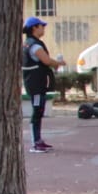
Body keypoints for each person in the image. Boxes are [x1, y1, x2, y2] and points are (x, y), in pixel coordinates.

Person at [21, 16, 65, 154]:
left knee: (39, 110)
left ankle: (38, 140)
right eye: (41, 26)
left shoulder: (28, 43)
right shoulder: (34, 45)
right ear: (34, 27)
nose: (43, 28)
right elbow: (46, 61)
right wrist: (58, 63)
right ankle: (35, 143)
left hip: (36, 83)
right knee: (37, 111)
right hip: (36, 84)